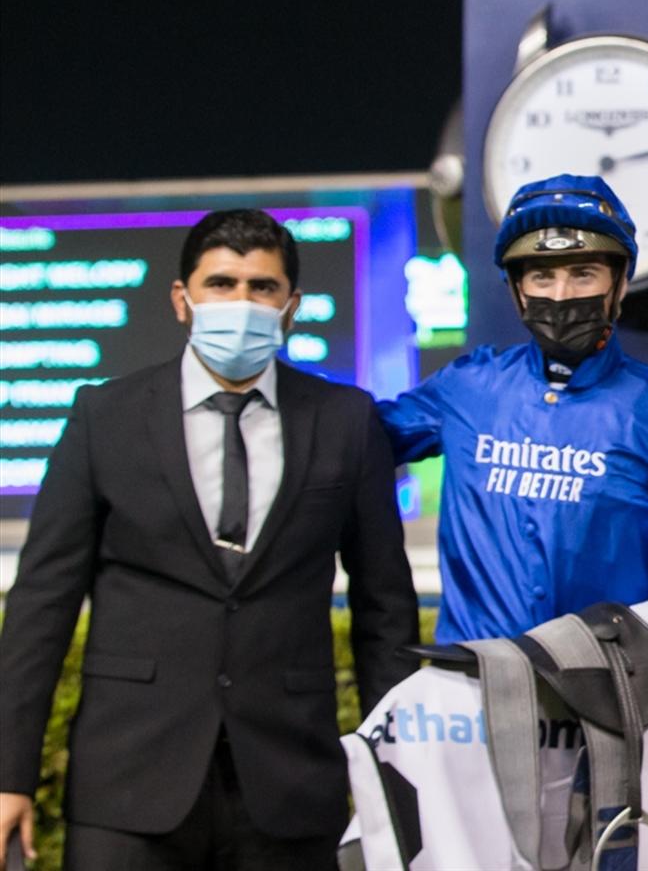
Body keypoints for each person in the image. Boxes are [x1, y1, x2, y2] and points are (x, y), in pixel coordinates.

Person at [0, 209, 419, 869]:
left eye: (263, 287)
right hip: (128, 787)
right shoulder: (102, 417)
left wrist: (399, 778)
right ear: (182, 298)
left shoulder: (345, 421)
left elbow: (385, 612)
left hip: (290, 787)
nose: (241, 304)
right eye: (222, 284)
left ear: (292, 306)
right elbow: (40, 608)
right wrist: (8, 775)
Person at [379, 174, 648, 641]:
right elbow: (348, 441)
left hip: (608, 695)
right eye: (542, 276)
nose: (560, 295)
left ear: (620, 283)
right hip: (472, 688)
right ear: (517, 288)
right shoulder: (468, 387)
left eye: (583, 274)